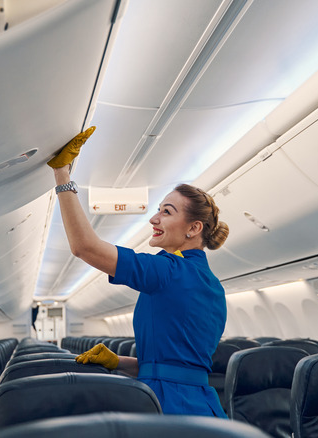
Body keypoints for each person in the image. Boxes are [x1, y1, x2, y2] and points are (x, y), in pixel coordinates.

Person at [47, 126, 230, 417]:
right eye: (158, 209)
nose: (154, 219)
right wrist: (118, 362)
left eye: (167, 212)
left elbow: (85, 247)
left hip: (168, 409)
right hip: (205, 409)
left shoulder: (168, 271)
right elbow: (177, 366)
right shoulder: (213, 285)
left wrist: (62, 176)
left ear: (194, 228)